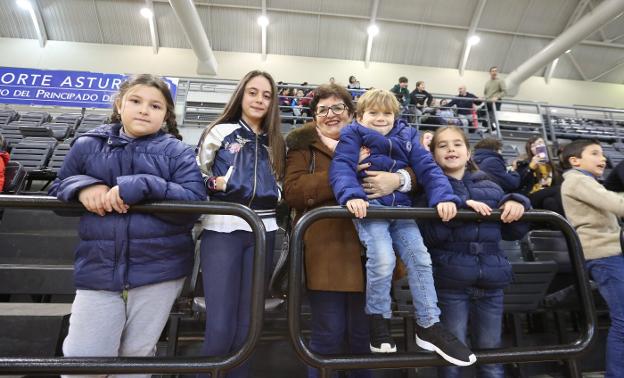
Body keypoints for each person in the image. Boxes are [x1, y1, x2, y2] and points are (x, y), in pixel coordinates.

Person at [48, 74, 206, 375]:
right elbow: (58, 187)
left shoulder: (179, 153)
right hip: (99, 267)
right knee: (84, 356)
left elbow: (194, 204)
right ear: (120, 104)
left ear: (166, 115)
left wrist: (147, 184)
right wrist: (83, 187)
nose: (144, 110)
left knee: (137, 356)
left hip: (160, 269)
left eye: (155, 105)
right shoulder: (87, 144)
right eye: (136, 101)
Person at [329, 89, 476, 366]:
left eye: (386, 113)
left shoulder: (408, 137)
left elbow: (429, 170)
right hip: (371, 210)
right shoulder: (352, 135)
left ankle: (428, 324)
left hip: (402, 210)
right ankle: (378, 319)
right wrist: (352, 195)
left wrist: (444, 197)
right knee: (382, 258)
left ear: (395, 115)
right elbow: (342, 168)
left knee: (420, 259)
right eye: (373, 113)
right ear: (360, 116)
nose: (380, 118)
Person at [284, 84, 416, 378]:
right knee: (327, 337)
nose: (331, 115)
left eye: (338, 108)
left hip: (372, 255)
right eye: (322, 110)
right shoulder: (301, 147)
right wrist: (344, 169)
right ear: (314, 115)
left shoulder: (381, 137)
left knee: (363, 340)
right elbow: (292, 191)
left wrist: (399, 179)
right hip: (326, 254)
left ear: (351, 112)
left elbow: (418, 169)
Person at [196, 70, 285, 378]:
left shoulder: (277, 141)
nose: (260, 99)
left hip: (265, 232)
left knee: (249, 329)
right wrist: (217, 184)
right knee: (220, 326)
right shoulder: (220, 131)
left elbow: (282, 185)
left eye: (267, 95)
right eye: (253, 92)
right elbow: (196, 175)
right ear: (241, 95)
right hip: (224, 227)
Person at [424, 126, 530, 378]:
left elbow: (513, 232)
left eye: (457, 144)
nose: (451, 149)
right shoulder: (429, 189)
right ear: (433, 154)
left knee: (492, 355)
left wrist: (518, 202)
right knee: (452, 356)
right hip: (451, 282)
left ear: (468, 151)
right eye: (442, 145)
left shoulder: (491, 186)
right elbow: (430, 237)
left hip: (492, 282)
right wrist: (457, 210)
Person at [559, 139, 622, 378]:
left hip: (612, 254)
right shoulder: (577, 180)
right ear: (575, 160)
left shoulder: (588, 182)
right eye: (595, 153)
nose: (602, 158)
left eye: (603, 153)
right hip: (604, 256)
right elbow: (615, 203)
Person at [514, 136, 564, 215]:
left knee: (549, 202)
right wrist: (530, 168)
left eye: (540, 143)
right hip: (530, 196)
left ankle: (558, 226)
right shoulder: (524, 164)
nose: (538, 146)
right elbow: (518, 182)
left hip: (547, 195)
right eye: (534, 145)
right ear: (530, 150)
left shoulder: (553, 166)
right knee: (559, 189)